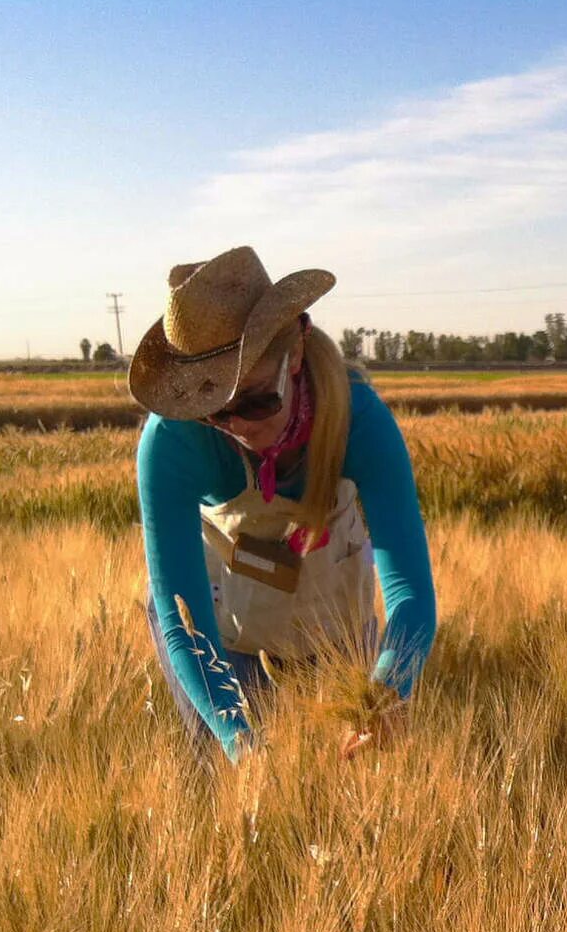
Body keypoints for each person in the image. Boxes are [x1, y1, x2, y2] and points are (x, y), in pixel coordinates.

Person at [126, 246, 436, 764]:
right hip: (221, 630)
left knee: (353, 778)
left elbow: (409, 592)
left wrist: (387, 691)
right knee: (230, 775)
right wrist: (239, 741)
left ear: (293, 354)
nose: (238, 427)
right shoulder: (171, 441)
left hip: (333, 621)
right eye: (213, 414)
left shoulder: (358, 418)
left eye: (253, 400)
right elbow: (186, 623)